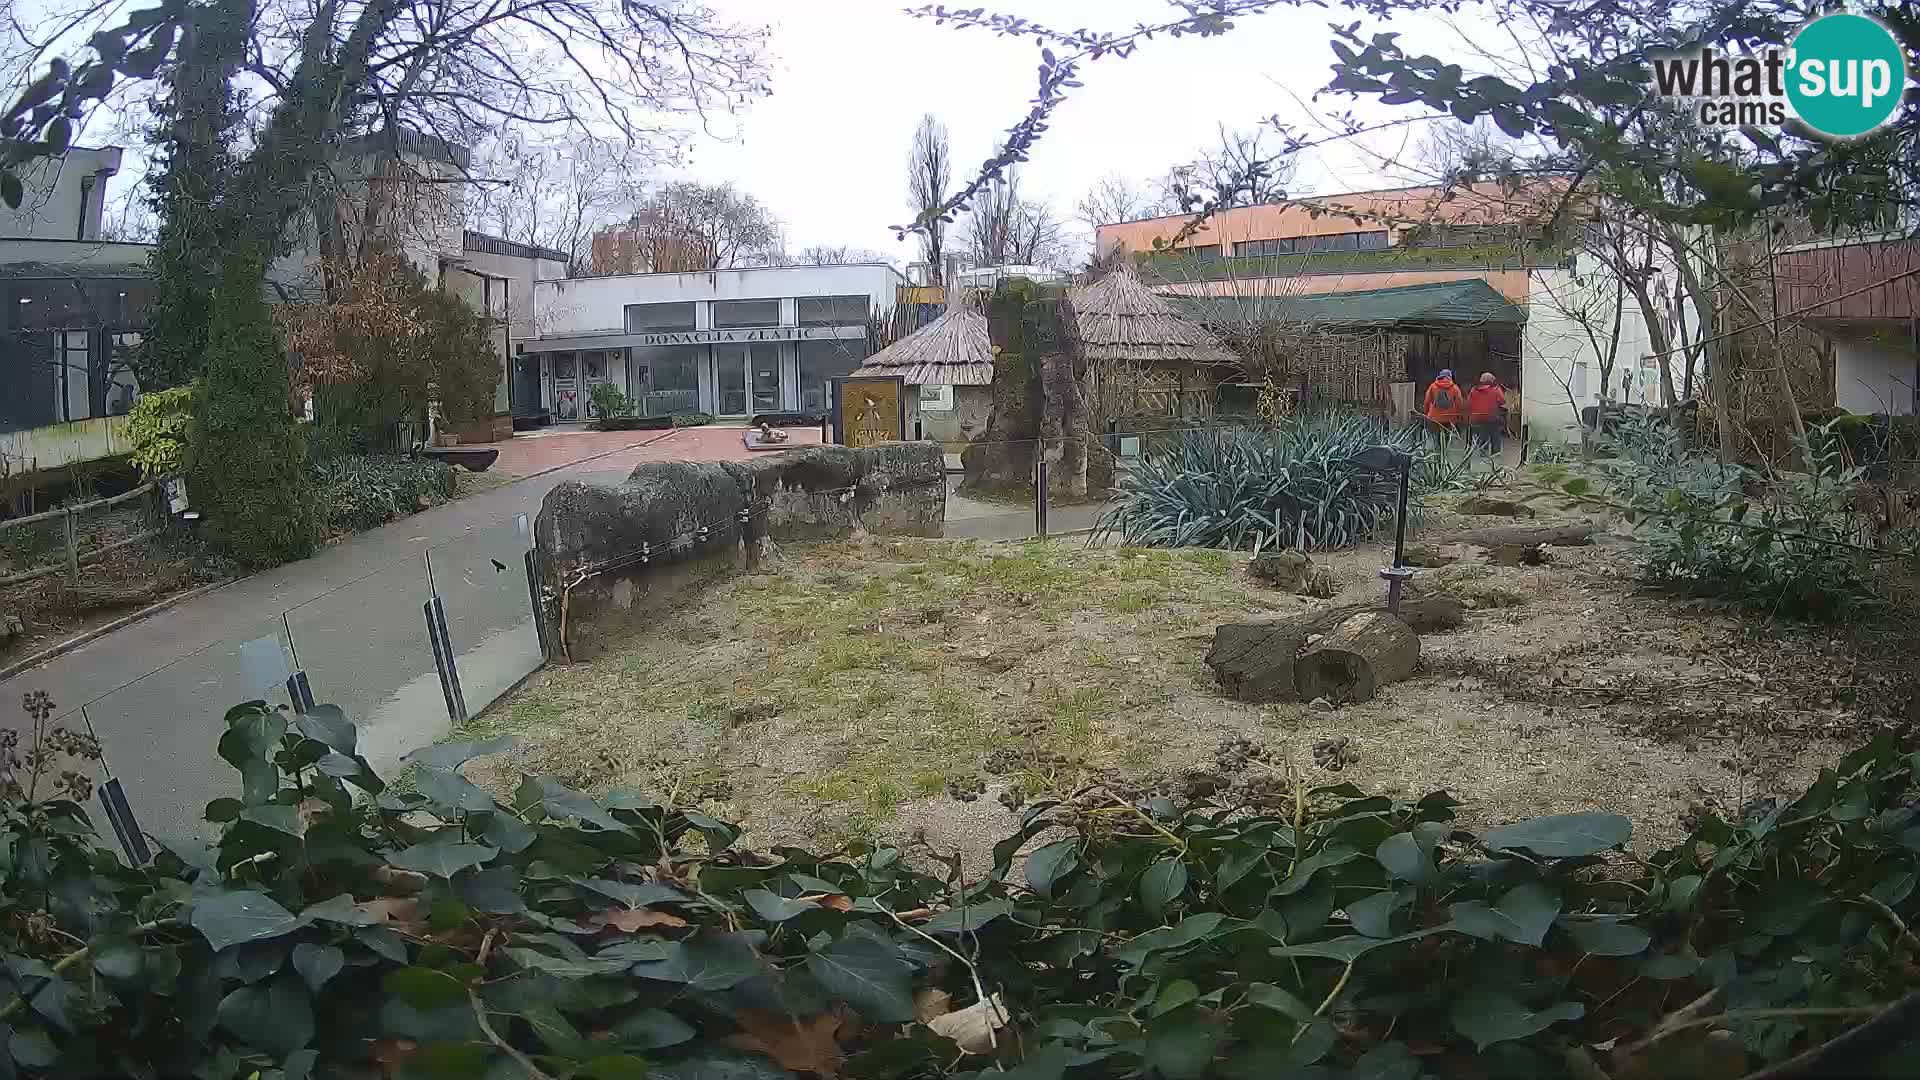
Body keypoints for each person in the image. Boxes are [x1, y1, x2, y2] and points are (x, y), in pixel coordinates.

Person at [1467, 372, 1507, 457]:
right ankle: (1495, 453)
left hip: (1477, 418)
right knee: (1495, 435)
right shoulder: (1496, 390)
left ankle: (1483, 453)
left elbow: (1468, 404)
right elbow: (1502, 401)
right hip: (1492, 417)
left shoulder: (1474, 390)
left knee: (1482, 435)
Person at [1422, 369, 1465, 442]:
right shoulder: (1454, 387)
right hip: (1450, 417)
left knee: (1436, 435)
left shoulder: (1432, 386)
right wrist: (1459, 415)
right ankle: (1445, 449)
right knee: (1447, 435)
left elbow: (1427, 401)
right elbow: (1459, 402)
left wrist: (1426, 413)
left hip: (1435, 416)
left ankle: (1438, 449)